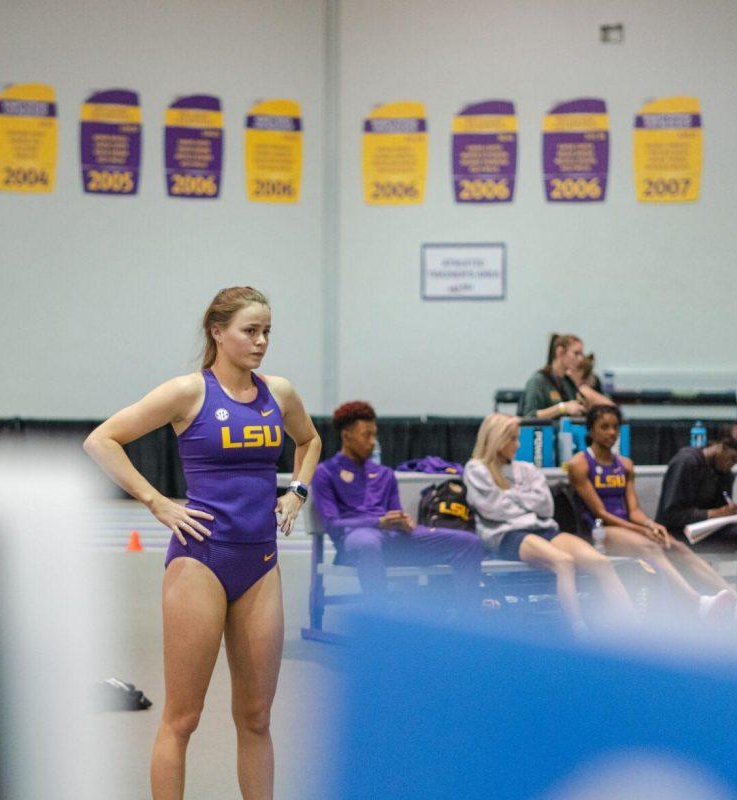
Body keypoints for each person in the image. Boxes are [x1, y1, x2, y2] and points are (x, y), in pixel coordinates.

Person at [83, 286, 321, 800]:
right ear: (217, 331)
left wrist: (297, 491)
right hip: (200, 562)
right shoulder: (188, 392)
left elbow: (310, 440)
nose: (261, 342)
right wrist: (156, 501)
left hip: (260, 562)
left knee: (257, 717)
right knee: (183, 718)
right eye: (250, 331)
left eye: (267, 332)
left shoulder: (278, 393)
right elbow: (101, 440)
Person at [568, 405, 737, 624]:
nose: (611, 433)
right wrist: (641, 530)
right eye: (604, 427)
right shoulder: (579, 464)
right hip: (598, 530)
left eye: (615, 427)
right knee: (651, 547)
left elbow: (634, 511)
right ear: (590, 431)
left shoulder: (625, 465)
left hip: (625, 528)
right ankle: (696, 602)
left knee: (676, 545)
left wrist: (650, 524)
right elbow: (600, 512)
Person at [465, 413, 636, 633]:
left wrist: (511, 495)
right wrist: (525, 497)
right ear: (496, 439)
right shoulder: (476, 469)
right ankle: (579, 630)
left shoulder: (525, 468)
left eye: (518, 438)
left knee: (601, 563)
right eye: (512, 439)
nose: (517, 444)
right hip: (507, 535)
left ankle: (634, 628)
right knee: (563, 562)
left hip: (544, 529)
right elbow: (494, 510)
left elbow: (546, 506)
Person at [312, 400, 485, 602]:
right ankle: (381, 619)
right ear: (346, 436)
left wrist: (403, 521)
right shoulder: (325, 472)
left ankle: (466, 619)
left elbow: (395, 511)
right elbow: (333, 524)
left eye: (374, 435)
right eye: (366, 435)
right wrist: (377, 522)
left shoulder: (384, 473)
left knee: (469, 542)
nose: (372, 441)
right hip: (355, 542)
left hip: (392, 540)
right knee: (368, 542)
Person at [656, 425, 737, 598]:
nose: (732, 465)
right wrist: (716, 514)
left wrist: (731, 513)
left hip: (705, 530)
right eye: (733, 458)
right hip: (679, 533)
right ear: (721, 446)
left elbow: (720, 509)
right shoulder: (687, 461)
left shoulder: (724, 472)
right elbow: (670, 515)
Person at [519, 333, 612, 419]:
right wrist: (562, 408)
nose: (580, 359)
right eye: (576, 353)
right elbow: (529, 416)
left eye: (581, 354)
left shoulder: (567, 382)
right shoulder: (538, 381)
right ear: (560, 352)